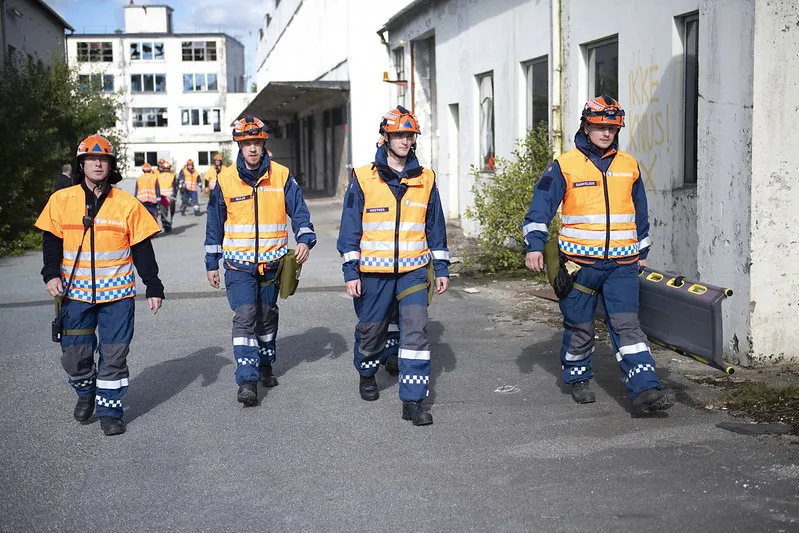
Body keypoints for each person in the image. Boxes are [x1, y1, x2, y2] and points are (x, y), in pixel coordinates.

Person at [522, 95, 673, 413]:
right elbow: (540, 208)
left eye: (612, 128)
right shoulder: (565, 165)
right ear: (586, 126)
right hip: (579, 265)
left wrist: (641, 250)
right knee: (580, 327)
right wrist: (535, 245)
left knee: (627, 325)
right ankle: (577, 376)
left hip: (622, 263)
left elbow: (639, 212)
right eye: (600, 127)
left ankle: (645, 388)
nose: (607, 133)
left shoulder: (629, 165)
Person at [34, 134, 164, 436]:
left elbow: (142, 248)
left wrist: (153, 285)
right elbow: (51, 241)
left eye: (103, 158)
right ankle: (85, 392)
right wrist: (50, 274)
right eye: (91, 159)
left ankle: (109, 411)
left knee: (115, 355)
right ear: (81, 164)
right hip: (75, 293)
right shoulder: (61, 200)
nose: (97, 163)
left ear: (110, 165)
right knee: (74, 356)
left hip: (117, 294)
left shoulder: (126, 204)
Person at [336, 106, 450, 426]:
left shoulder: (426, 178)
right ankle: (367, 370)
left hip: (413, 270)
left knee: (415, 332)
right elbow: (349, 229)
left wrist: (441, 268)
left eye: (409, 135)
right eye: (398, 134)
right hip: (373, 272)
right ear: (384, 137)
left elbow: (435, 226)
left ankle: (413, 400)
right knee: (371, 330)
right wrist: (351, 271)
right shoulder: (362, 178)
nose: (405, 140)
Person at [204, 116, 316, 407]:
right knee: (245, 317)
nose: (252, 149)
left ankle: (265, 362)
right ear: (239, 147)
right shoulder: (225, 180)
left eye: (256, 143)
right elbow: (214, 223)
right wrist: (211, 261)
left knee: (267, 315)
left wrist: (304, 239)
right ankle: (247, 380)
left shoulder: (281, 176)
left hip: (273, 263)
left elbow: (300, 211)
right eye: (246, 143)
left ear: (263, 144)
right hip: (237, 265)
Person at [157, 161, 177, 232]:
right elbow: (175, 187)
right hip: (171, 197)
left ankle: (165, 224)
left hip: (162, 197)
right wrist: (175, 195)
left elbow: (157, 187)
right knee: (172, 210)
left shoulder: (158, 176)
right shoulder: (173, 176)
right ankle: (169, 221)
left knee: (164, 212)